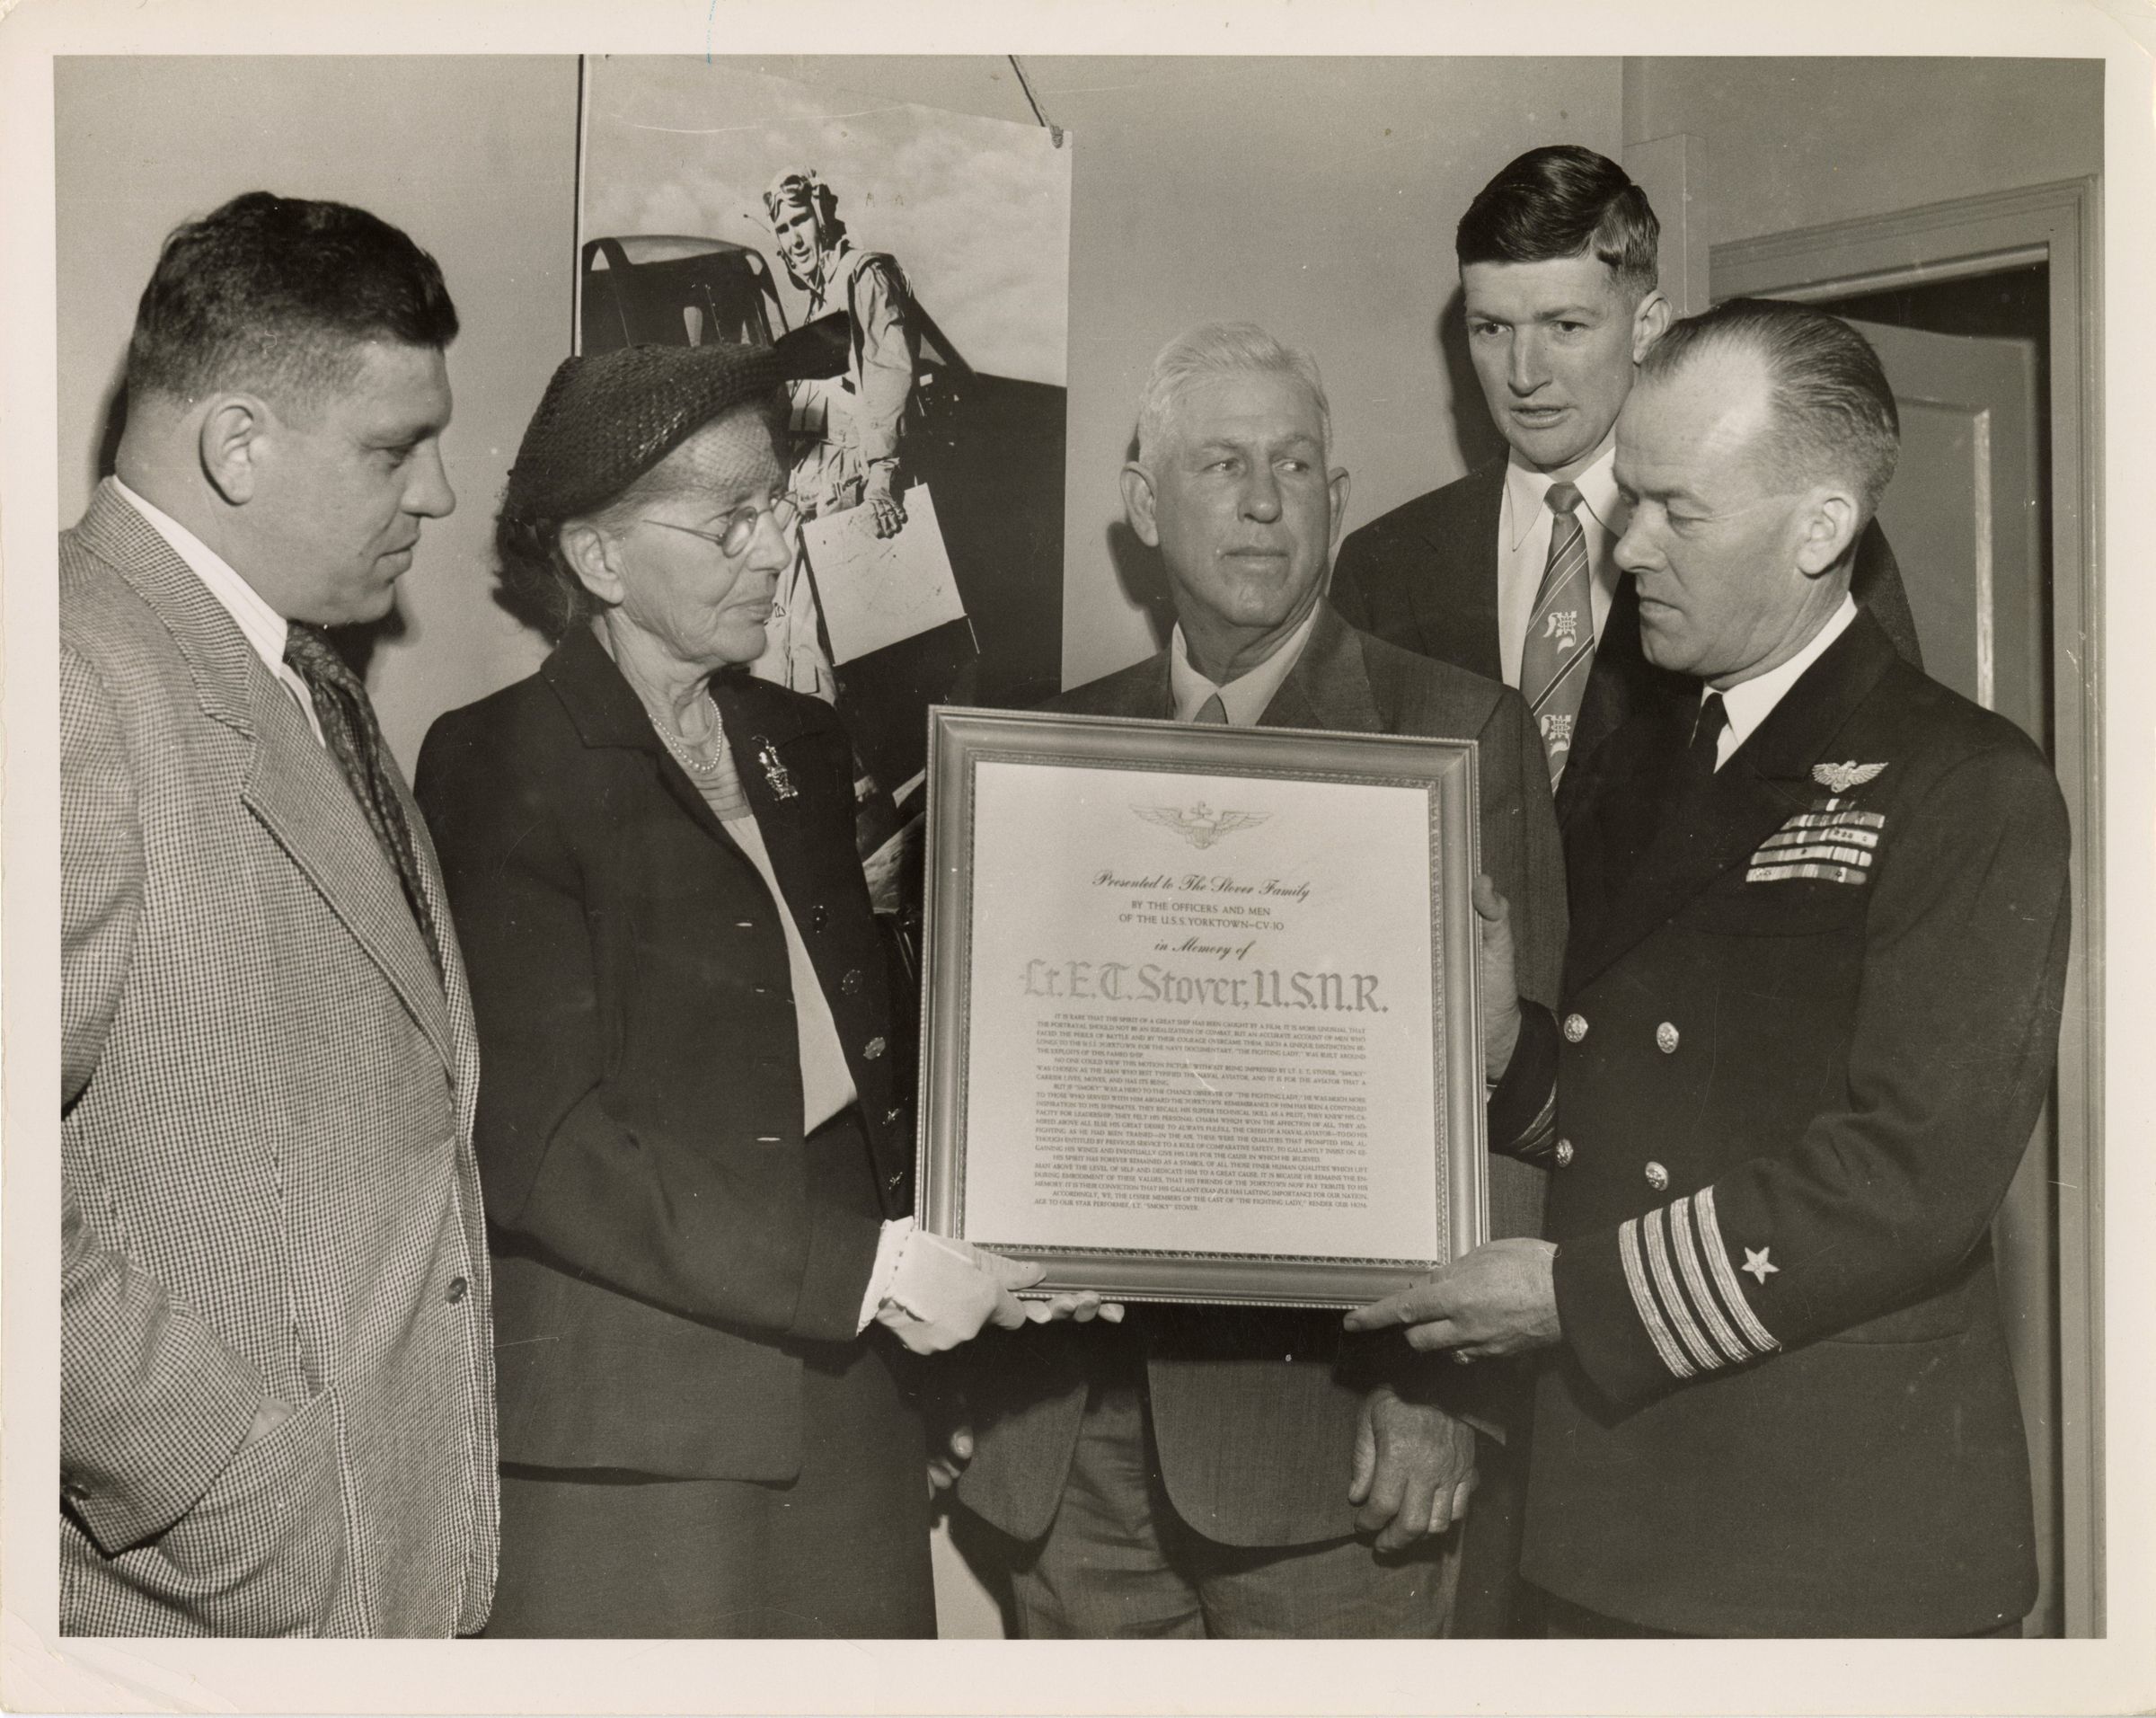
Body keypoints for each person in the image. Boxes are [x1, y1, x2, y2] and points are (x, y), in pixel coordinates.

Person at [1347, 299, 2072, 1638]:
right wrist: (1511, 1055)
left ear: (1820, 530)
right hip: (1616, 1511)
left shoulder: (1969, 787)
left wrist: (1572, 1294)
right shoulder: (1649, 755)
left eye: (1677, 512)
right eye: (1631, 504)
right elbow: (1645, 1104)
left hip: (1830, 1539)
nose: (1626, 549)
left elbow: (1911, 1179)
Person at [415, 339, 1100, 1638]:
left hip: (848, 1406)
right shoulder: (500, 761)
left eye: (778, 503)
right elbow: (547, 1148)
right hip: (645, 1437)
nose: (776, 547)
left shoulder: (796, 741)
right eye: (730, 518)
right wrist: (870, 1274)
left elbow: (878, 1055)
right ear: (597, 560)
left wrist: (1018, 1231)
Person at [949, 323, 1567, 1638]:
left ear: (1337, 505)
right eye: (1222, 461)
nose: (1262, 498)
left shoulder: (1457, 731)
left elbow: (1514, 1099)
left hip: (1332, 1454)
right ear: (1141, 504)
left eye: (1295, 465)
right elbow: (990, 1084)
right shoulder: (1044, 748)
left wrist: (1447, 1394)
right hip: (1068, 1447)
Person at [59, 191, 495, 1635]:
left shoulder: (293, 670)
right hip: (199, 1598)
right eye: (394, 447)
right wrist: (225, 1479)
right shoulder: (66, 672)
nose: (435, 493)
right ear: (238, 444)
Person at [1330, 144, 1922, 811]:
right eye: (1491, 328)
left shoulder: (1788, 536)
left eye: (1566, 325)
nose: (1523, 373)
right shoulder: (1382, 563)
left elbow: (1873, 784)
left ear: (1648, 328)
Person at [749, 168, 922, 702]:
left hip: (846, 486)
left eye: (800, 220)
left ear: (821, 217)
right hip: (803, 487)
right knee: (777, 633)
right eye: (782, 229)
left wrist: (880, 480)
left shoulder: (863, 275)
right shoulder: (815, 301)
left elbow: (888, 373)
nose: (793, 238)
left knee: (814, 641)